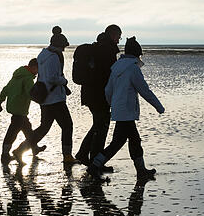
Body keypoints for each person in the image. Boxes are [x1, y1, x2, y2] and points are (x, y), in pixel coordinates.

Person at [88, 36, 165, 180]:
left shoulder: (116, 67)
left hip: (119, 110)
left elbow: (107, 90)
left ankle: (138, 170)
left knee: (126, 141)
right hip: (127, 111)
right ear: (137, 54)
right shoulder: (132, 69)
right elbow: (144, 90)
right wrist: (159, 106)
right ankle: (96, 166)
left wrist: (113, 104)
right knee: (126, 141)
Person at [14, 26, 78, 164]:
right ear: (59, 45)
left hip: (44, 98)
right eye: (63, 47)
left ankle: (20, 150)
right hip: (55, 98)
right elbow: (53, 78)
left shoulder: (42, 54)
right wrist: (64, 81)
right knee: (67, 126)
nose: (64, 49)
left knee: (44, 128)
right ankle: (67, 156)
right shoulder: (54, 57)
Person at [75, 24, 122, 171]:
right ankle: (96, 161)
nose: (118, 41)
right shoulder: (106, 50)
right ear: (113, 35)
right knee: (101, 126)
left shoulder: (97, 47)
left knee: (98, 124)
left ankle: (83, 154)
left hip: (90, 94)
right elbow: (109, 75)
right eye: (118, 37)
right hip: (99, 94)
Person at [0, 58, 45, 165]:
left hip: (15, 108)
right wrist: (42, 100)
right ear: (33, 67)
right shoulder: (27, 79)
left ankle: (34, 148)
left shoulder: (16, 77)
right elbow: (30, 93)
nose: (38, 72)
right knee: (12, 133)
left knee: (28, 130)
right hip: (20, 110)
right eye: (38, 69)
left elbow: (5, 89)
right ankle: (6, 155)